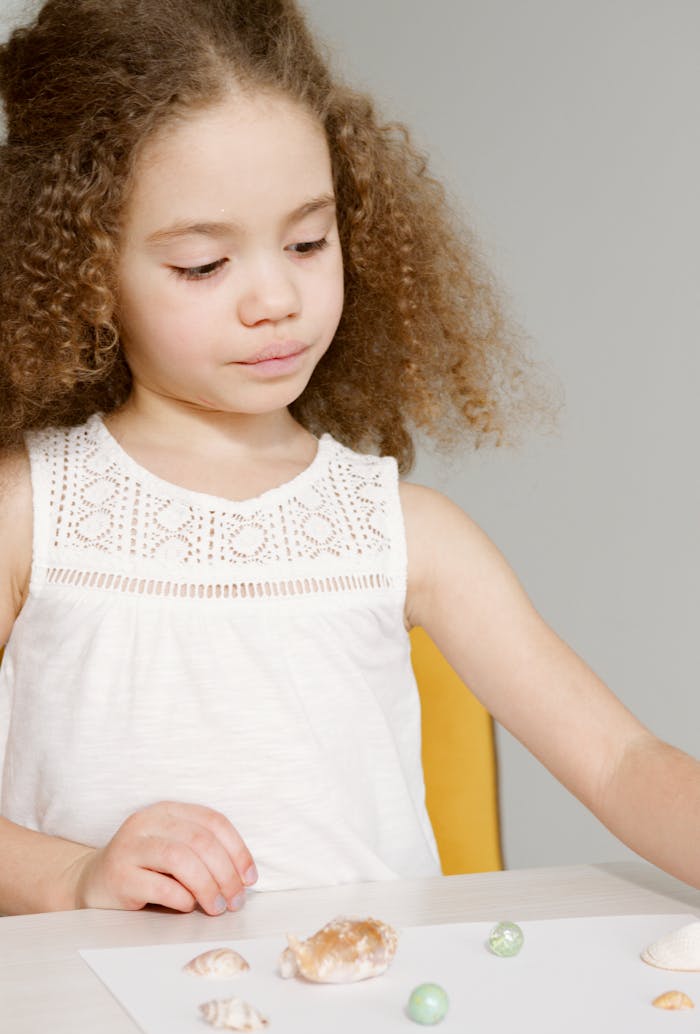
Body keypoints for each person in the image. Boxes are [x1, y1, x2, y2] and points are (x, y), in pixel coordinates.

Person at [0, 0, 697, 918]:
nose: (276, 298)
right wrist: (73, 877)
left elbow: (617, 760)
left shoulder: (409, 534)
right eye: (205, 264)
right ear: (81, 268)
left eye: (307, 241)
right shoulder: (31, 512)